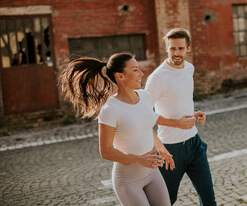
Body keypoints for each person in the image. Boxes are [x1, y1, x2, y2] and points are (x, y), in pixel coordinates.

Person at [60, 52, 195, 206]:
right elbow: (106, 151)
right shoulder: (111, 109)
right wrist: (139, 159)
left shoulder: (144, 97)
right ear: (120, 76)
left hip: (152, 172)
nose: (141, 73)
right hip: (128, 180)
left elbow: (146, 124)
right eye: (135, 70)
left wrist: (161, 147)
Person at [145, 28, 217, 205]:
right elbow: (144, 116)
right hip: (170, 149)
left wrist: (193, 114)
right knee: (166, 201)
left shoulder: (189, 68)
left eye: (181, 48)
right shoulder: (157, 77)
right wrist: (175, 123)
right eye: (172, 49)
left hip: (194, 144)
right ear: (166, 48)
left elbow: (178, 102)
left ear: (188, 48)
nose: (176, 53)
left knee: (208, 198)